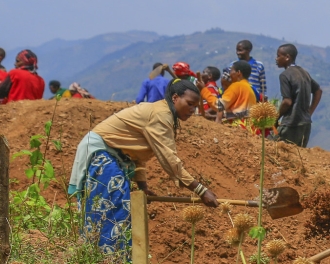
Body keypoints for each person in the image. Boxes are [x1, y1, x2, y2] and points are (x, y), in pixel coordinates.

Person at [67, 79, 219, 253]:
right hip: (102, 155)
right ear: (175, 98)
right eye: (190, 104)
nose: (193, 110)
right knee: (112, 210)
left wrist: (142, 187)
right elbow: (170, 160)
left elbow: (136, 154)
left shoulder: (162, 113)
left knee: (109, 210)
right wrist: (200, 190)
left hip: (112, 156)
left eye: (195, 106)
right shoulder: (160, 115)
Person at [274, 44, 322, 147]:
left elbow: (287, 102)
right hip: (305, 124)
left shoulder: (285, 75)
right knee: (298, 156)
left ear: (287, 57)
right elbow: (318, 91)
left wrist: (276, 117)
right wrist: (309, 112)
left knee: (275, 149)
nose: (276, 59)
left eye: (278, 56)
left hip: (291, 124)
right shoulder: (304, 72)